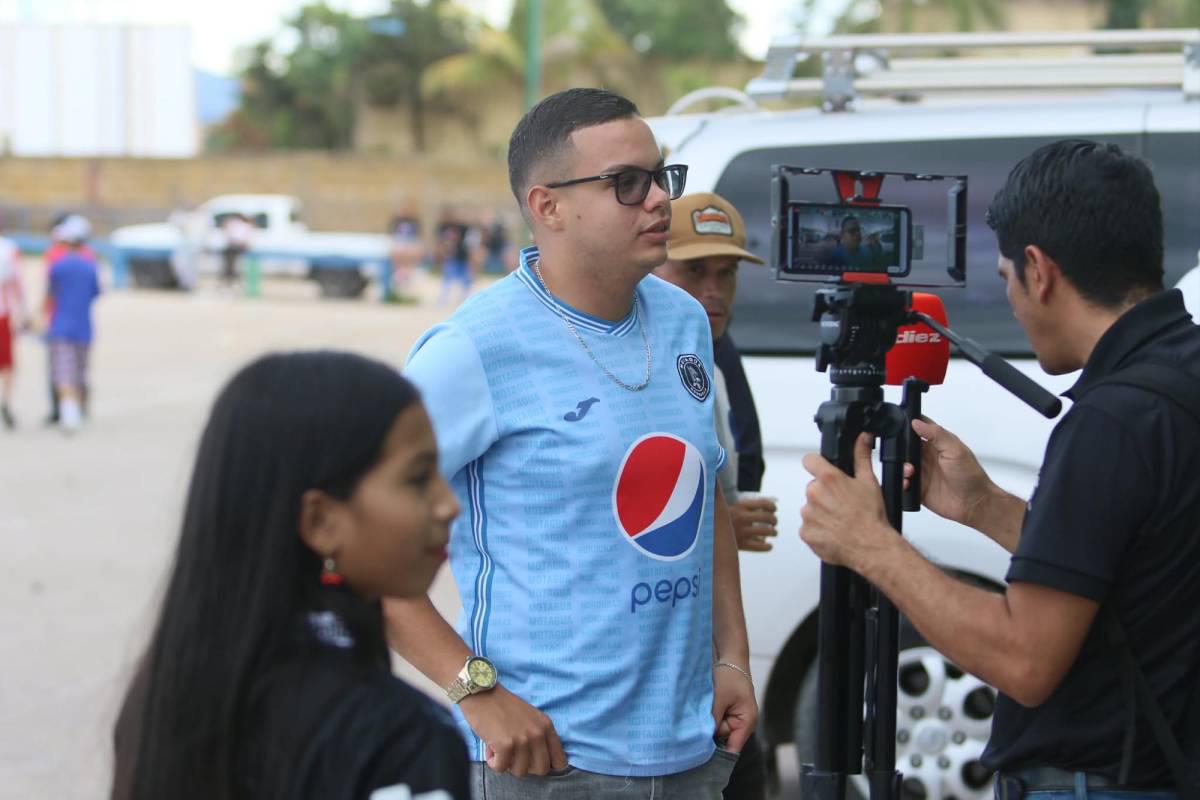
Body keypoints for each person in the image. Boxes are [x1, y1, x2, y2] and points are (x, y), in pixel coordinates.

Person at [799, 139, 1200, 796]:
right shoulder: (1179, 375)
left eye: (1008, 278)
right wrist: (984, 505)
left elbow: (1025, 658)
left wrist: (871, 547)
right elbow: (1138, 564)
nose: (1013, 299)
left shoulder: (1112, 421)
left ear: (1038, 270)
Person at [387, 87, 756, 799]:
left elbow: (703, 499)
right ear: (546, 206)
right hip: (551, 767)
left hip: (692, 754)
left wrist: (733, 658)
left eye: (661, 177)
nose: (659, 201)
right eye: (628, 183)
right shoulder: (474, 348)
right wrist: (474, 691)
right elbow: (350, 535)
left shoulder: (683, 322)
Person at [111, 351, 470, 800]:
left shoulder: (165, 698)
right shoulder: (399, 741)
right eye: (418, 479)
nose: (448, 503)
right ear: (320, 521)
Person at [654, 191, 780, 800]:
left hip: (711, 668)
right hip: (649, 678)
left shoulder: (711, 355)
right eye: (694, 270)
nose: (714, 290)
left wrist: (733, 660)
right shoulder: (639, 360)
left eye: (726, 273)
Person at [43, 215, 100, 434]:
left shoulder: (58, 266)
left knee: (63, 372)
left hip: (61, 324)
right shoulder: (90, 266)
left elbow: (50, 295)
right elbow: (95, 294)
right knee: (79, 372)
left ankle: (69, 413)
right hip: (84, 326)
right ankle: (76, 409)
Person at [0, 220, 27, 429]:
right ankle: (7, 400)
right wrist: (23, 312)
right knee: (7, 364)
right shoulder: (9, 249)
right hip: (3, 312)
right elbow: (18, 284)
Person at [435, 210, 473, 306]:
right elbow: (440, 243)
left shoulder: (464, 228)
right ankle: (444, 297)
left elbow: (470, 243)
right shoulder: (443, 227)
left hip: (462, 256)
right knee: (448, 277)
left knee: (465, 278)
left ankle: (464, 297)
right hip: (450, 257)